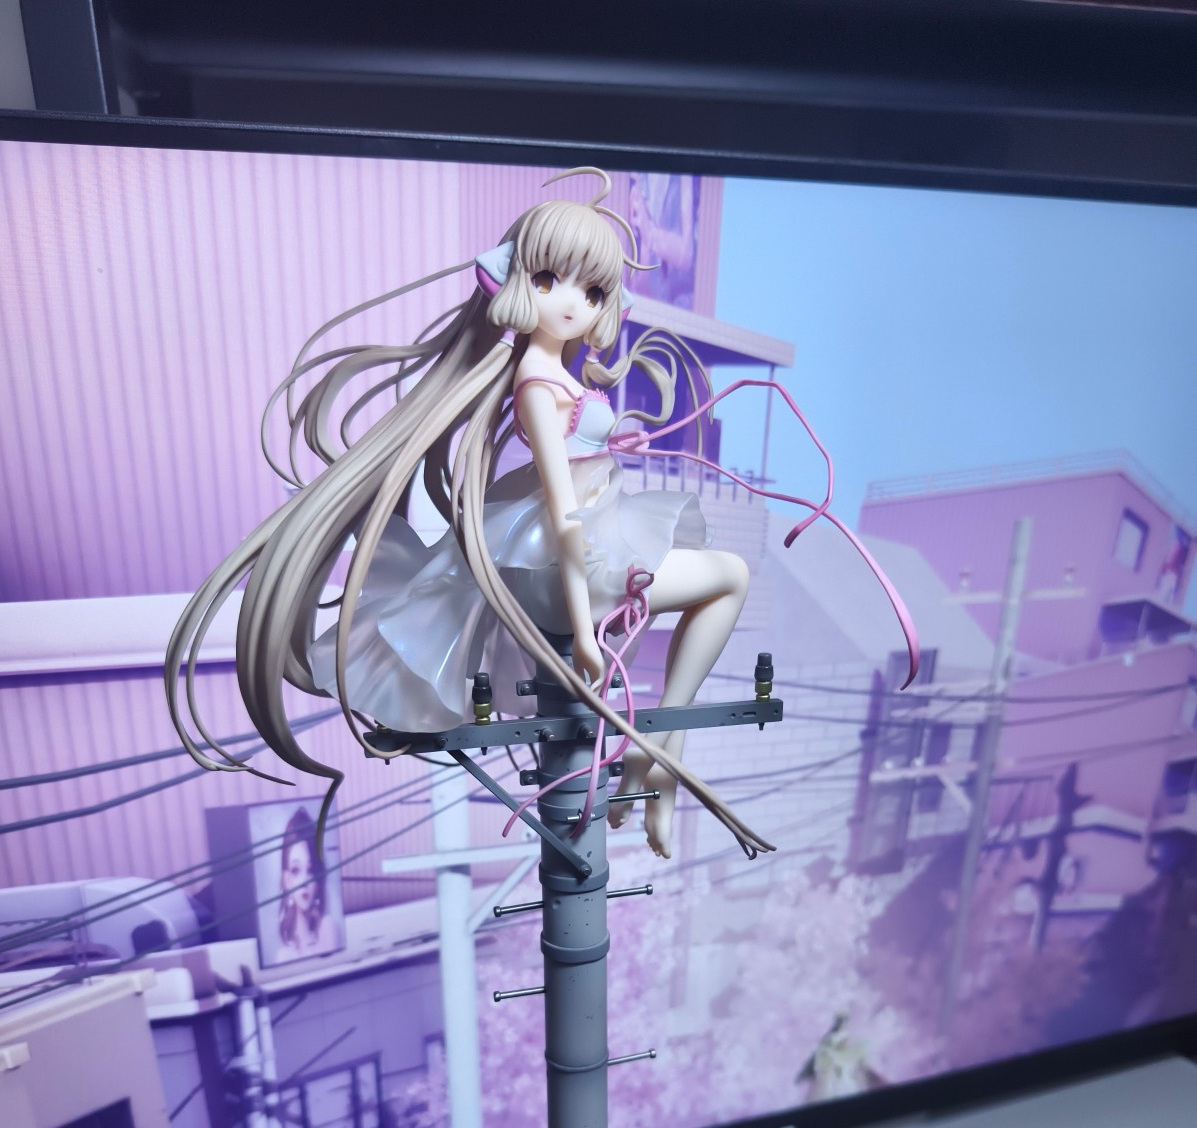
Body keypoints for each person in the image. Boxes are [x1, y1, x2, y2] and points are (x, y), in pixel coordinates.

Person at [166, 169, 915, 862]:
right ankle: (659, 756)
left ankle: (656, 756)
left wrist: (609, 442)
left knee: (721, 577)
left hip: (586, 545)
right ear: (517, 282)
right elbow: (562, 513)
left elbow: (577, 469)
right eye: (549, 279)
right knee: (729, 577)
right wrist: (584, 631)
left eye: (591, 289)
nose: (570, 301)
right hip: (569, 565)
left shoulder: (555, 372)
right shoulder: (535, 380)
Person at [275, 807, 339, 960]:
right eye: (296, 870)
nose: (304, 881)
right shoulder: (283, 955)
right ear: (287, 880)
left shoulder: (327, 928)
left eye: (310, 870)